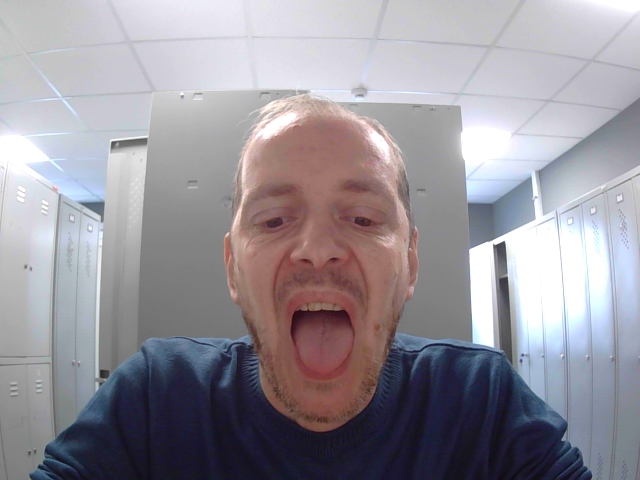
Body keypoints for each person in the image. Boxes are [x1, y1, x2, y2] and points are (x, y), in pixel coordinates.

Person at [32, 94, 591, 479]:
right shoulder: (156, 398)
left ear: (410, 262)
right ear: (232, 267)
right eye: (274, 219)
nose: (318, 249)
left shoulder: (480, 401)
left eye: (364, 219)